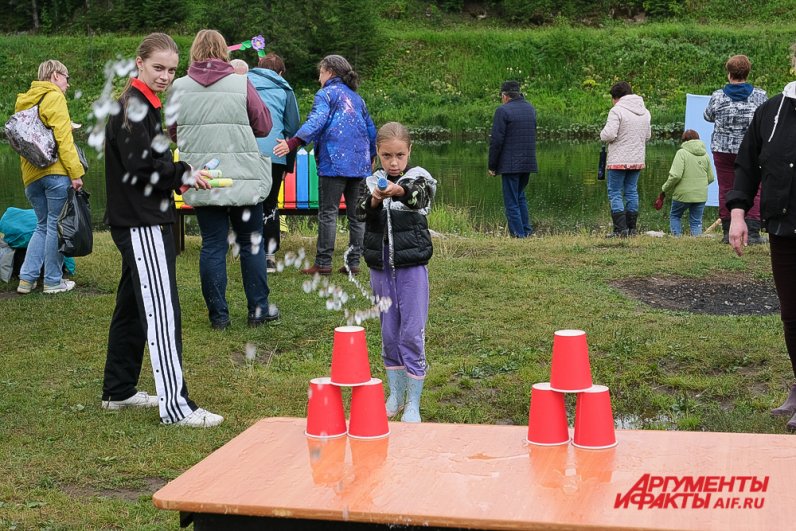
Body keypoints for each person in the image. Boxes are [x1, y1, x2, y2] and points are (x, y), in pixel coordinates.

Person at [102, 32, 222, 427]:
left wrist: (182, 173)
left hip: (141, 220)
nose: (165, 76)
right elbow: (143, 170)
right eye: (158, 68)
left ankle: (118, 391)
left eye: (171, 69)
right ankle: (176, 406)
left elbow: (149, 164)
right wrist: (183, 173)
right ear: (139, 63)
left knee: (132, 308)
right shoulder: (133, 108)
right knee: (162, 311)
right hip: (143, 224)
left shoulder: (145, 106)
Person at [171, 29, 277, 329]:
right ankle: (259, 311)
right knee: (250, 243)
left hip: (203, 176)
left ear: (194, 52)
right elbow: (264, 125)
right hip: (242, 177)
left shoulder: (179, 86)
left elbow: (173, 132)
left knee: (213, 244)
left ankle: (219, 317)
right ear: (224, 52)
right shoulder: (241, 82)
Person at [728, 68, 796, 432]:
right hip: (784, 227)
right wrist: (738, 212)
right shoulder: (771, 110)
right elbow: (746, 164)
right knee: (791, 315)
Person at [356, 122, 437, 423]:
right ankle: (395, 396)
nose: (393, 162)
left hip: (411, 269)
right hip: (380, 269)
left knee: (411, 333)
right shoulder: (370, 182)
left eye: (399, 155)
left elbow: (418, 197)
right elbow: (361, 212)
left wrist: (398, 190)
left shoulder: (420, 179)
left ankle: (413, 403)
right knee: (390, 334)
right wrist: (376, 198)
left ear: (409, 152)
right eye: (387, 155)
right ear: (377, 153)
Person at [274, 54, 377, 276]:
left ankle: (323, 263)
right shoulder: (357, 98)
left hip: (334, 162)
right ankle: (353, 263)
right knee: (356, 215)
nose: (318, 78)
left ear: (329, 71)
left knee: (328, 212)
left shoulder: (326, 94)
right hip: (360, 164)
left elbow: (317, 121)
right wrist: (372, 155)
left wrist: (293, 142)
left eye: (320, 73)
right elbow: (370, 129)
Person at [15, 60, 85, 295]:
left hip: (31, 176)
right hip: (55, 173)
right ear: (55, 75)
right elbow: (64, 139)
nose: (67, 83)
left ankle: (26, 279)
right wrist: (76, 173)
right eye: (66, 77)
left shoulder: (24, 101)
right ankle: (53, 281)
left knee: (42, 225)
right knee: (55, 225)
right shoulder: (54, 97)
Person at [704, 54, 767, 244]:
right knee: (755, 188)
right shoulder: (760, 96)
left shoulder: (718, 96)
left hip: (723, 150)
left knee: (726, 188)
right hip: (752, 150)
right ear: (747, 73)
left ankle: (727, 231)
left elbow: (708, 116)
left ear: (729, 74)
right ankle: (753, 233)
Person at [248, 52, 300, 273]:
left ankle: (249, 252)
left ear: (258, 66)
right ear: (280, 72)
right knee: (270, 203)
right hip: (275, 153)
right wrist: (288, 164)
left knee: (247, 202)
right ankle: (269, 257)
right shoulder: (285, 90)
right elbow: (293, 128)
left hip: (247, 150)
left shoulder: (243, 83)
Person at [600, 81, 651, 237]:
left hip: (618, 160)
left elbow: (609, 134)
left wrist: (601, 134)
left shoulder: (617, 111)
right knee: (631, 192)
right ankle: (632, 229)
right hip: (637, 159)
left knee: (615, 192)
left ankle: (620, 229)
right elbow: (647, 136)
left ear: (616, 97)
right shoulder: (645, 112)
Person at [488, 80, 537, 238]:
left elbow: (496, 140)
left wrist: (492, 165)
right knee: (520, 196)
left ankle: (518, 235)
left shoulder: (503, 111)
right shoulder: (530, 108)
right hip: (528, 162)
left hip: (510, 164)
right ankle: (526, 231)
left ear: (505, 96)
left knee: (511, 201)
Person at [661, 130, 715, 236]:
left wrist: (664, 189)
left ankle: (677, 239)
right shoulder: (705, 155)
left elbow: (675, 176)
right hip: (700, 195)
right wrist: (699, 186)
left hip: (682, 195)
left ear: (684, 140)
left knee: (675, 216)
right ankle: (696, 242)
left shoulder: (681, 153)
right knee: (696, 222)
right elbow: (711, 178)